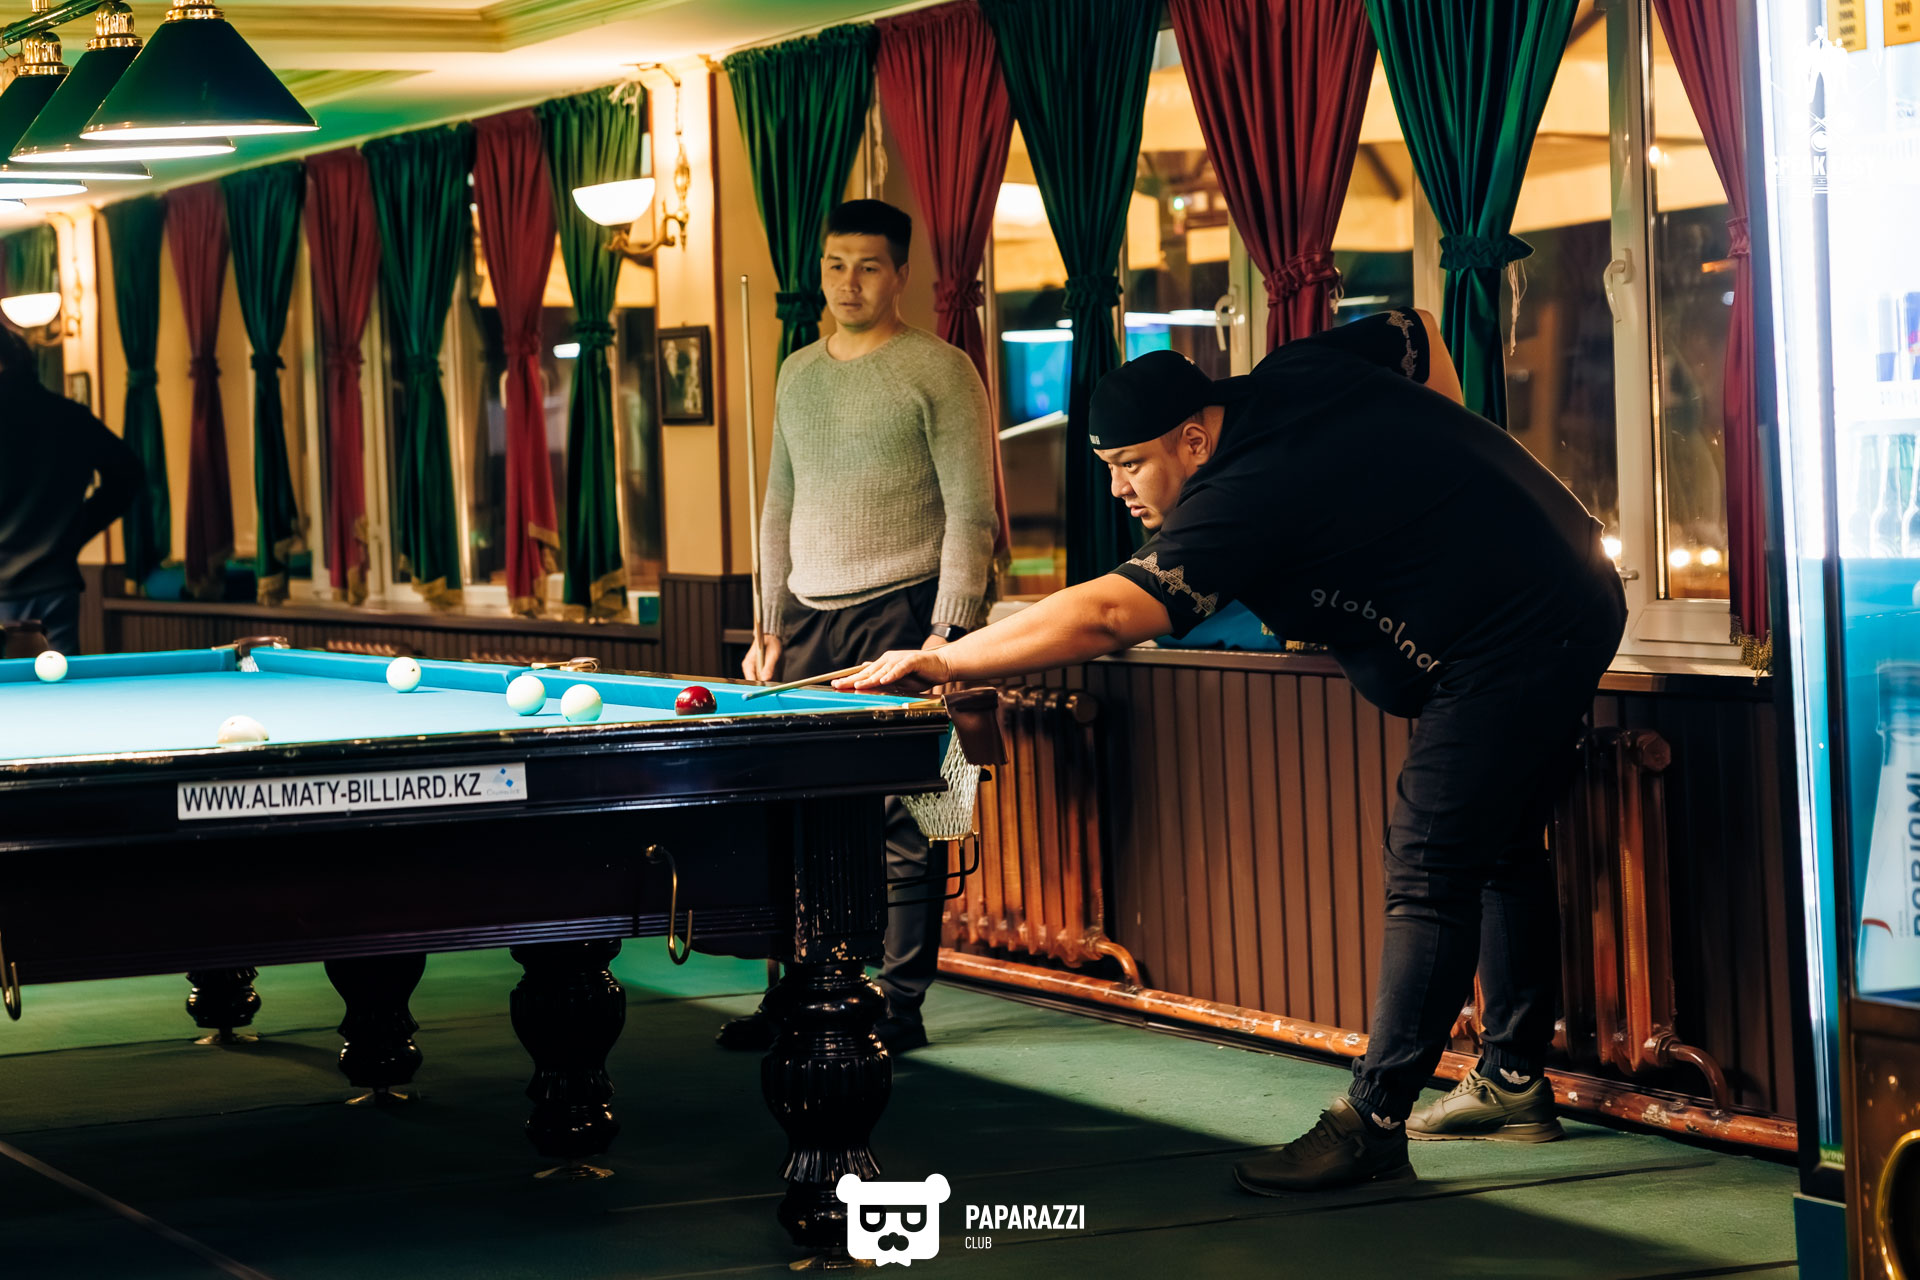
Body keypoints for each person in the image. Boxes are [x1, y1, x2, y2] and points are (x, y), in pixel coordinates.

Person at [837, 308, 1626, 1191]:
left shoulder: (1241, 495)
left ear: (1194, 440)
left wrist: (946, 658)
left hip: (1525, 629)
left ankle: (1373, 1123)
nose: (1118, 490)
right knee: (1498, 843)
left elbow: (1109, 612)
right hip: (1564, 587)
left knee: (1432, 857)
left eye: (1132, 464)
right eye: (1108, 468)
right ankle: (1512, 1080)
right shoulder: (1295, 372)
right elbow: (1418, 333)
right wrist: (1444, 478)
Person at [723, 198, 997, 1055]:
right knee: (796, 814)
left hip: (906, 611)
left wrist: (948, 631)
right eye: (835, 265)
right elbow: (778, 502)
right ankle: (800, 993)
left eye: (868, 266)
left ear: (901, 274)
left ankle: (900, 1003)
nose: (848, 283)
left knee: (916, 817)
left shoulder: (941, 369)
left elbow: (973, 512)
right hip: (807, 615)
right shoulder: (797, 372)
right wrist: (768, 622)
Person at [0, 322, 140, 654]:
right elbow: (129, 474)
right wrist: (76, 530)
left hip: (20, 589)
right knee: (57, 681)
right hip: (54, 585)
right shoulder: (70, 416)